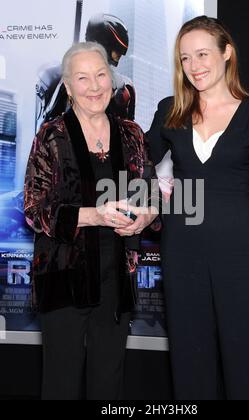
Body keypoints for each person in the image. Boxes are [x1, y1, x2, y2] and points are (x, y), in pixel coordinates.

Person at [147, 16, 249, 400]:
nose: (194, 66)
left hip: (240, 252)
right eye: (185, 58)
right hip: (182, 251)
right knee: (191, 361)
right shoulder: (169, 111)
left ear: (227, 53)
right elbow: (141, 167)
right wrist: (155, 195)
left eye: (202, 54)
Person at [24, 41, 158, 400]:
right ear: (68, 86)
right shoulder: (51, 135)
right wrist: (93, 215)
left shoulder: (131, 133)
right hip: (63, 277)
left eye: (101, 75)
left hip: (115, 280)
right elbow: (35, 210)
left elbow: (150, 193)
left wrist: (145, 217)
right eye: (83, 78)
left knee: (108, 384)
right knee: (61, 384)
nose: (95, 86)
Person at [35, 14, 135, 131]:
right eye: (116, 50)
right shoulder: (54, 75)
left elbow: (129, 130)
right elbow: (44, 124)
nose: (119, 56)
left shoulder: (125, 87)